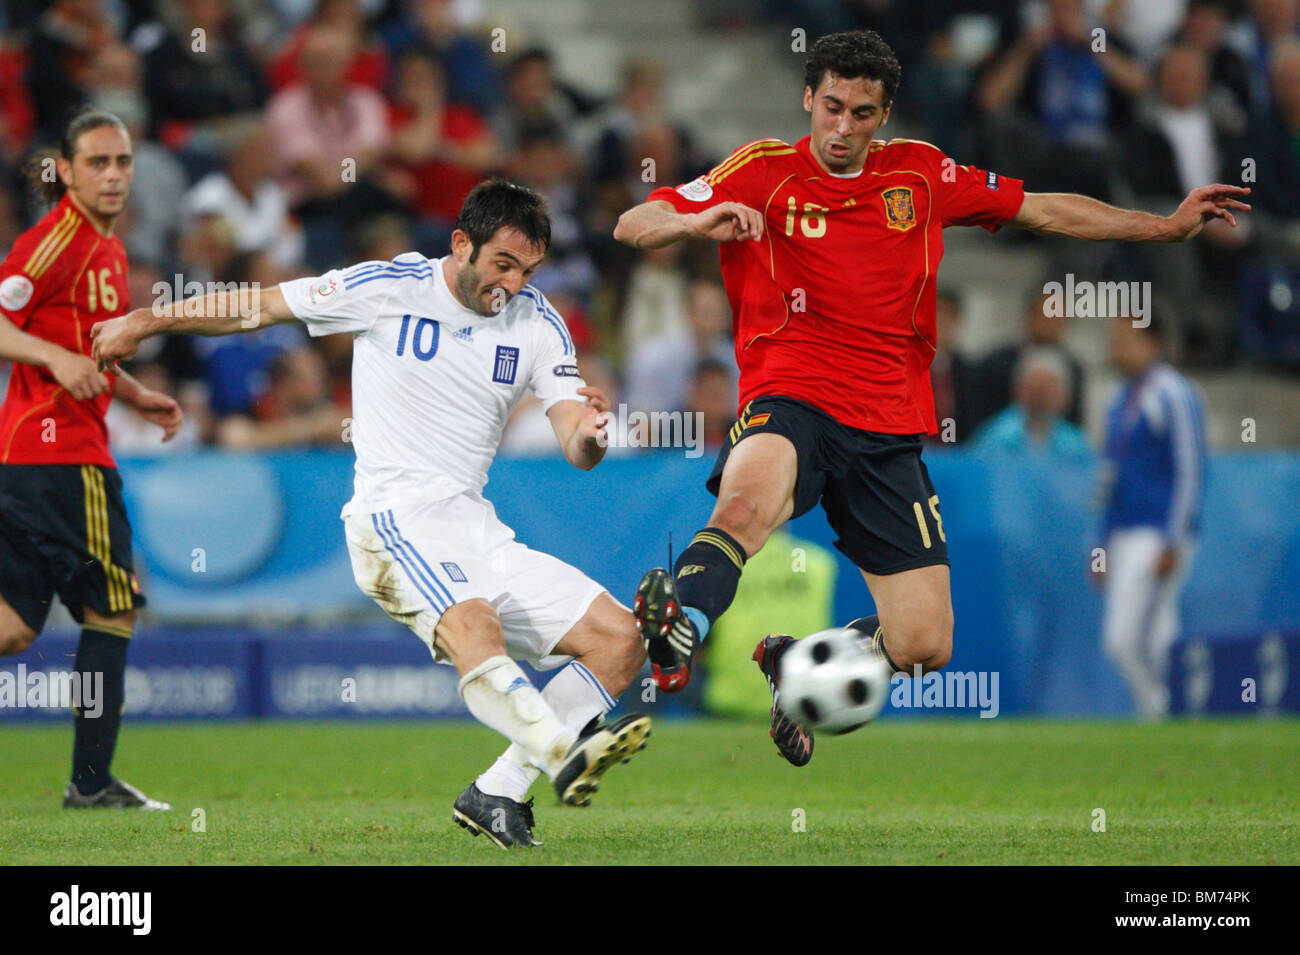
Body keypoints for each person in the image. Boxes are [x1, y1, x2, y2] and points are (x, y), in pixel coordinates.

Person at [612, 29, 1249, 765]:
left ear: (884, 116)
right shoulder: (761, 170)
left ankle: (799, 665)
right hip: (790, 396)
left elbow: (1041, 209)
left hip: (888, 428)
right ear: (808, 100)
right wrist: (694, 221)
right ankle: (678, 628)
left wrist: (1163, 226)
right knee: (745, 507)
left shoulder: (921, 175)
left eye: (861, 113)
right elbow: (636, 222)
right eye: (832, 107)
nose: (843, 128)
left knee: (924, 645)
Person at [91, 179, 650, 848]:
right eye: (503, 264)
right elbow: (259, 306)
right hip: (394, 519)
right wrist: (146, 320)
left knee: (622, 637)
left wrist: (591, 433)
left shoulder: (539, 322)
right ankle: (563, 751)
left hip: (476, 525)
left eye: (528, 270)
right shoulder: (388, 287)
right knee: (475, 620)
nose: (513, 284)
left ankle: (498, 789)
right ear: (461, 243)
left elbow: (574, 442)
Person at [0, 110, 182, 810]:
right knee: (112, 606)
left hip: (30, 458)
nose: (112, 174)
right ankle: (91, 782)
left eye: (122, 162)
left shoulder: (105, 247)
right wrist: (52, 356)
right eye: (97, 162)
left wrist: (132, 392)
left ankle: (91, 780)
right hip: (63, 456)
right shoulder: (55, 241)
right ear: (67, 172)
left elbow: (78, 345)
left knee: (14, 626)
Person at [1094, 316, 1208, 720]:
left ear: (1153, 342)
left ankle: (1159, 707)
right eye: (1114, 341)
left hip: (1155, 531)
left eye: (1125, 341)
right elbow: (1110, 478)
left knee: (1121, 638)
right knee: (1160, 632)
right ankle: (1175, 712)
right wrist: (1101, 542)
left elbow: (1190, 469)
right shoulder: (1117, 398)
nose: (1116, 349)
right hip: (1124, 530)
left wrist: (1173, 539)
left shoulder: (1173, 392)